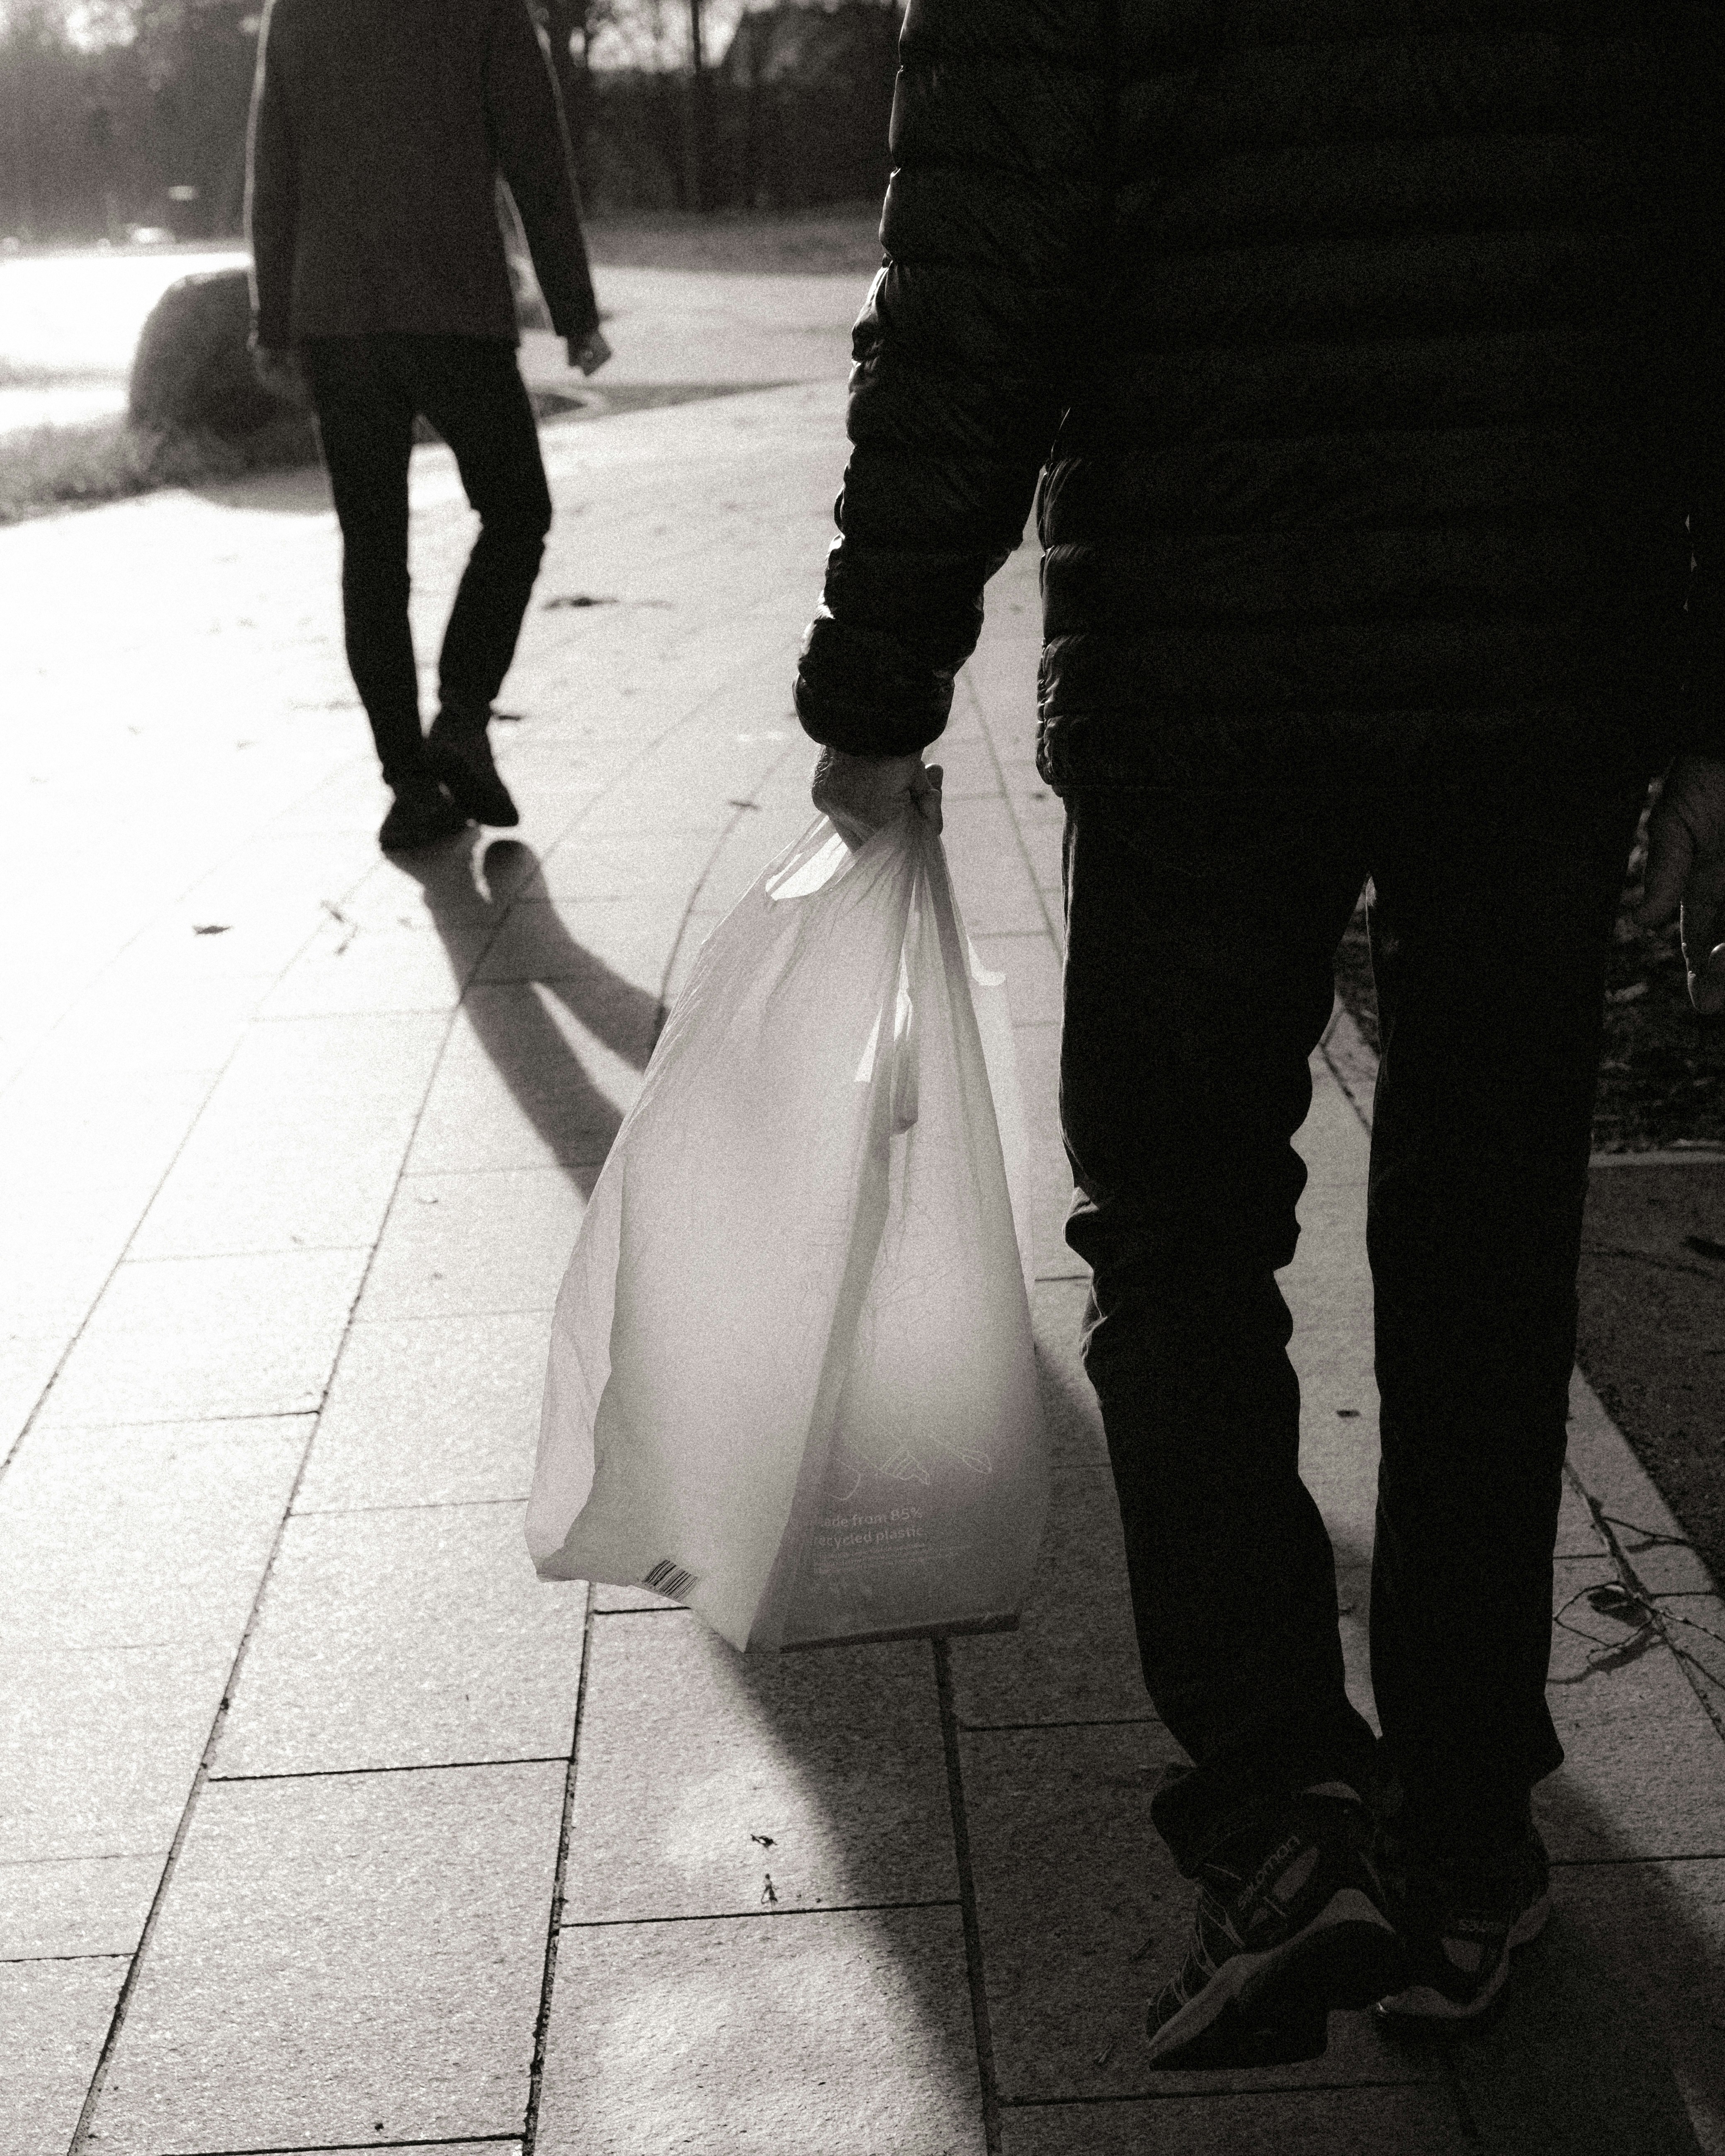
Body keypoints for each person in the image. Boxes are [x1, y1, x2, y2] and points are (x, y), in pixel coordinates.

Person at [797, 0, 1725, 2072]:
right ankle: (1467, 1831)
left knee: (1183, 1228)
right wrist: (1703, 699)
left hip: (1198, 650)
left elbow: (977, 275)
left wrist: (880, 679)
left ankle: (1285, 1814)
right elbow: (1691, 265)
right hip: (1536, 640)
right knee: (1484, 1245)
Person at [245, 0, 610, 853]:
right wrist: (575, 310)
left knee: (373, 552)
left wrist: (272, 318)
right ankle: (462, 716)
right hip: (453, 305)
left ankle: (410, 787)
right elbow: (534, 153)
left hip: (338, 314)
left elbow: (275, 164)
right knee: (517, 512)